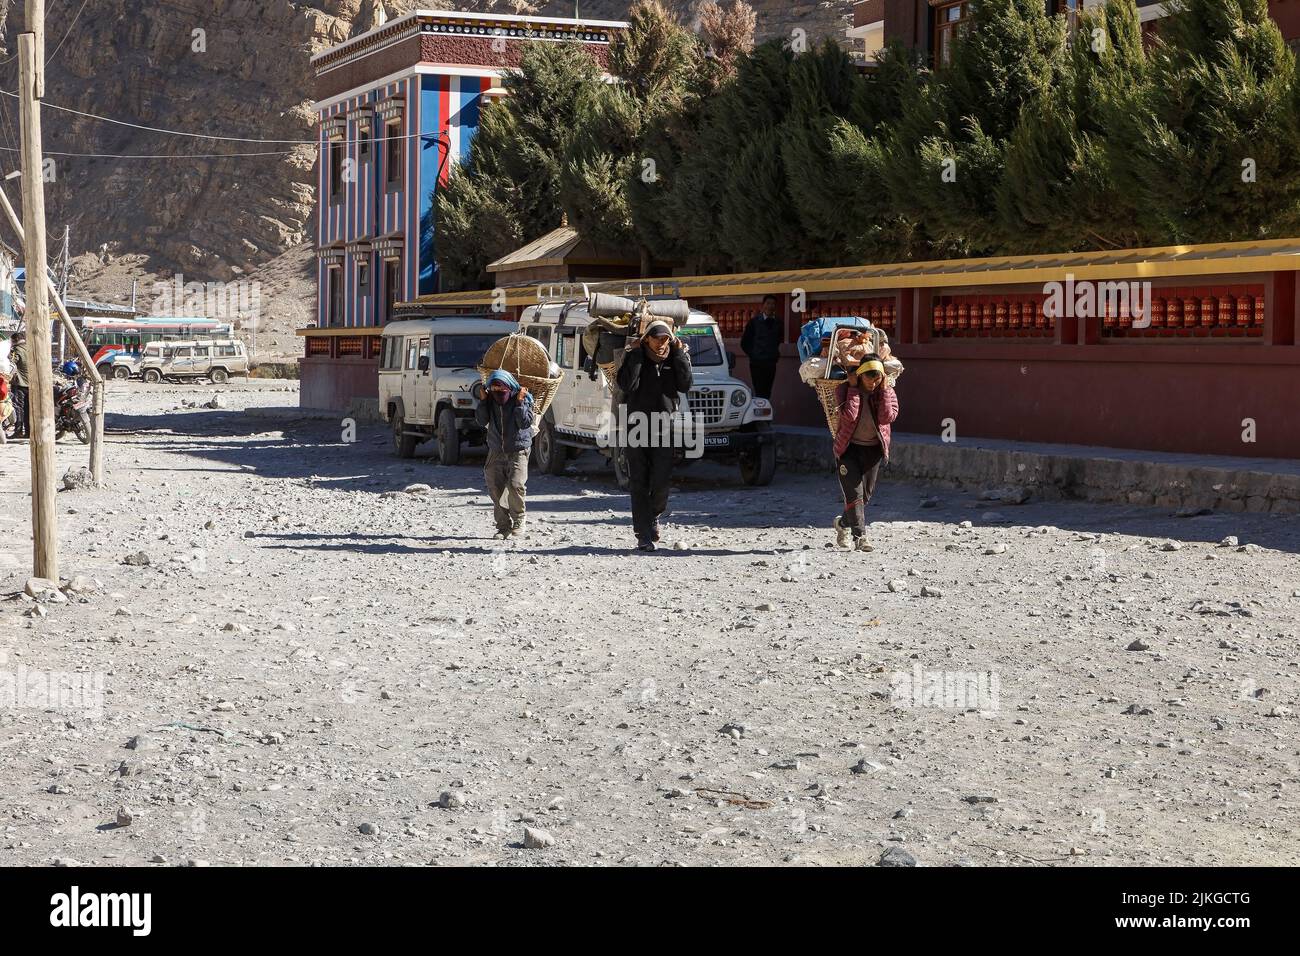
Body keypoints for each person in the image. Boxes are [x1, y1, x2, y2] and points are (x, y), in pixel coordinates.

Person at [616, 319, 693, 552]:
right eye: (657, 338)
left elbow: (686, 385)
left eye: (666, 339)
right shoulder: (633, 357)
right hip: (635, 428)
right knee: (638, 481)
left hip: (664, 428)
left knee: (661, 480)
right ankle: (643, 535)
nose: (662, 343)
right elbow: (627, 385)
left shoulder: (674, 357)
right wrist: (638, 355)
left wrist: (679, 354)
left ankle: (654, 515)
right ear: (646, 338)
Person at [832, 353, 898, 551]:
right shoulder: (843, 390)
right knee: (854, 495)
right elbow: (849, 417)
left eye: (877, 377)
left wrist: (885, 389)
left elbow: (887, 417)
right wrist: (853, 389)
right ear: (860, 375)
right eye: (869, 377)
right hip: (848, 449)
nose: (873, 382)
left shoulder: (886, 392)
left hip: (873, 451)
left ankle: (842, 524)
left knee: (865, 497)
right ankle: (861, 537)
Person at [472, 369, 535, 539]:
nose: (498, 393)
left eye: (501, 389)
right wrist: (483, 401)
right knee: (495, 487)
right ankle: (503, 527)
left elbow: (525, 423)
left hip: (518, 449)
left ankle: (519, 520)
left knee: (515, 485)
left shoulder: (521, 398)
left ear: (509, 387)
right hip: (496, 450)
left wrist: (520, 403)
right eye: (494, 390)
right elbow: (481, 420)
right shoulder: (490, 400)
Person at [740, 294, 782, 401]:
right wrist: (753, 355)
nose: (770, 306)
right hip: (757, 363)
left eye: (773, 304)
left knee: (767, 391)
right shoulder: (754, 322)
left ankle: (765, 415)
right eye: (768, 303)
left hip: (770, 363)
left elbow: (778, 340)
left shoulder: (778, 323)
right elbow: (744, 343)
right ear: (763, 306)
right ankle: (759, 415)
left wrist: (773, 354)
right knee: (759, 390)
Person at [9, 331, 28, 440]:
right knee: (28, 408)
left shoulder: (16, 350)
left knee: (18, 407)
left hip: (20, 383)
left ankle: (19, 430)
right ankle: (29, 431)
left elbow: (12, 362)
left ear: (15, 340)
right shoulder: (29, 348)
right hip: (31, 384)